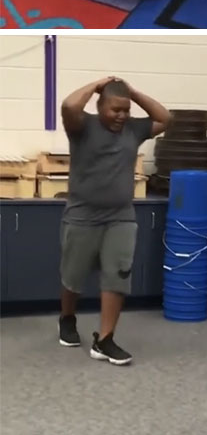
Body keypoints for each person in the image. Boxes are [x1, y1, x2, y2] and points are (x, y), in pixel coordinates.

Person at [58, 77, 171, 364]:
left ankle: (105, 339)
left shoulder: (133, 130)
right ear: (100, 106)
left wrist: (132, 92)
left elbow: (165, 118)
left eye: (126, 110)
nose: (121, 115)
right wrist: (97, 84)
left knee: (117, 276)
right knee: (73, 277)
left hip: (121, 217)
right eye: (114, 109)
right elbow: (69, 104)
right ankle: (67, 318)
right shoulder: (82, 126)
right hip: (82, 216)